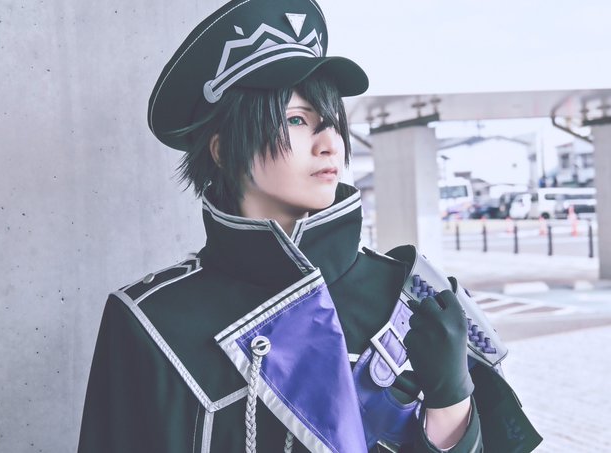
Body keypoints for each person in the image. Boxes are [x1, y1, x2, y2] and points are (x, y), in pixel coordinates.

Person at [78, 1, 541, 452]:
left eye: (333, 122)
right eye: (297, 120)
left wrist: (451, 404)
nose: (330, 144)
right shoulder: (153, 319)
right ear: (223, 150)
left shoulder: (411, 297)